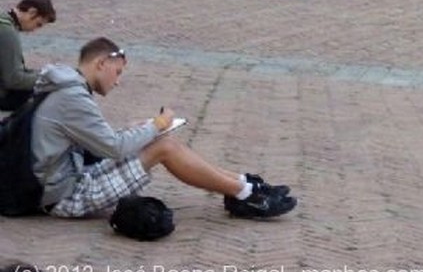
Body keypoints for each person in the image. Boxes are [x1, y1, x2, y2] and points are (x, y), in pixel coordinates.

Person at [31, 37, 297, 219]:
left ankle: (242, 185)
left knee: (159, 140)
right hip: (64, 196)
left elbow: (98, 140)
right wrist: (157, 124)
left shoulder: (67, 88)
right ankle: (246, 196)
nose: (118, 81)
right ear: (101, 64)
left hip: (69, 179)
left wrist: (142, 130)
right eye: (118, 72)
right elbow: (112, 147)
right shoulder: (72, 96)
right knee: (164, 147)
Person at [0, 0, 55, 112]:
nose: (34, 30)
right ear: (32, 12)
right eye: (38, 24)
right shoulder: (7, 32)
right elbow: (14, 79)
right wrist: (48, 77)